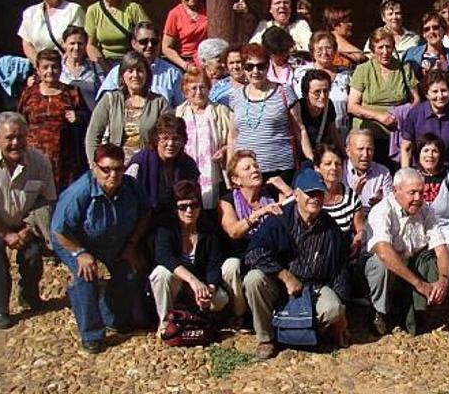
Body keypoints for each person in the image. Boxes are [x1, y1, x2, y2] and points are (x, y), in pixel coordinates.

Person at [51, 143, 150, 353]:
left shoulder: (131, 187)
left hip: (115, 241)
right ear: (94, 167)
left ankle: (110, 316)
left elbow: (145, 214)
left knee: (130, 273)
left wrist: (132, 246)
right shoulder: (79, 192)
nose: (112, 174)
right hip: (75, 241)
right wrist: (80, 253)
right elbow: (59, 229)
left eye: (118, 169)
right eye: (106, 169)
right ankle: (91, 333)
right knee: (86, 277)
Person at [243, 168, 351, 359]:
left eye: (319, 193)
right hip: (279, 283)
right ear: (297, 194)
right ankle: (266, 338)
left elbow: (339, 269)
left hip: (314, 287)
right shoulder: (279, 220)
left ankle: (301, 333)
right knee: (253, 279)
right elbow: (253, 253)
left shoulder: (332, 229)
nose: (315, 198)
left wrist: (342, 316)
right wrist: (285, 276)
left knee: (333, 309)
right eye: (310, 193)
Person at [0, 112, 56, 329]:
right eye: (9, 138)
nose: (16, 143)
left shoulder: (40, 162)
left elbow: (47, 199)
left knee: (33, 252)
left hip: (25, 218)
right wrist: (6, 234)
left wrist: (29, 228)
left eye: (20, 137)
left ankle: (29, 297)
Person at [364, 168, 449, 335]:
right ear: (396, 191)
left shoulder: (426, 210)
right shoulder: (382, 211)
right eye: (412, 193)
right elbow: (383, 251)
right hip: (386, 269)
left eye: (421, 192)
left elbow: (441, 249)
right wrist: (419, 284)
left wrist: (443, 280)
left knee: (445, 268)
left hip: (411, 264)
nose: (418, 198)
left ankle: (423, 309)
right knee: (381, 265)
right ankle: (379, 311)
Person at [150, 180, 239, 336]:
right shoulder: (166, 228)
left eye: (194, 205)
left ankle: (226, 317)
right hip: (179, 285)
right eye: (182, 207)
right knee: (160, 274)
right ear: (175, 209)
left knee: (219, 300)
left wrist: (209, 289)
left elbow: (214, 263)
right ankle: (165, 322)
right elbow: (164, 257)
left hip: (203, 285)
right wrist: (192, 281)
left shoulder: (208, 229)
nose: (189, 211)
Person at [217, 150, 288, 324]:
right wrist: (259, 214)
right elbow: (233, 231)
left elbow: (299, 208)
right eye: (247, 168)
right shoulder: (227, 201)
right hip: (242, 255)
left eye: (255, 166)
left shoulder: (271, 193)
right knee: (230, 266)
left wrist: (284, 187)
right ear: (236, 180)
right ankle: (239, 313)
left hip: (270, 252)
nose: (254, 170)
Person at [227, 43, 313, 186]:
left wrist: (311, 160)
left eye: (260, 66)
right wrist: (230, 171)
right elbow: (232, 137)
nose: (255, 71)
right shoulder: (235, 97)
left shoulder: (284, 91)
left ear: (268, 66)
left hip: (281, 169)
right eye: (249, 66)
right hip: (246, 174)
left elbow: (300, 129)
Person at [17, 49, 87, 189]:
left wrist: (78, 117)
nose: (50, 71)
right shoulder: (29, 93)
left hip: (65, 160)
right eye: (45, 67)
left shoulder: (72, 92)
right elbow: (20, 121)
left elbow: (87, 118)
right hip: (34, 157)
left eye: (54, 67)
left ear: (61, 68)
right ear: (37, 69)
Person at [348, 28, 419, 166]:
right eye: (380, 47)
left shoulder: (404, 68)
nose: (385, 52)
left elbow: (416, 100)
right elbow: (352, 106)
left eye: (388, 47)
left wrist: (402, 115)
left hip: (398, 134)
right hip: (369, 136)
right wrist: (379, 116)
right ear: (373, 49)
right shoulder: (363, 70)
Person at [86, 50, 171, 164]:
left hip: (147, 167)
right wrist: (95, 167)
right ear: (122, 75)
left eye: (140, 70)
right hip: (115, 170)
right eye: (130, 71)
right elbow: (92, 137)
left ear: (147, 74)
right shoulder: (110, 100)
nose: (135, 75)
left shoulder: (159, 103)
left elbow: (169, 135)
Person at [126, 114, 200, 228]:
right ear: (156, 139)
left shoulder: (188, 165)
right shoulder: (139, 163)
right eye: (165, 138)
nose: (170, 144)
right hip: (142, 223)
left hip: (177, 223)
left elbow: (193, 201)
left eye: (176, 139)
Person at [175, 67, 232, 210]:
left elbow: (234, 139)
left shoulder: (221, 111)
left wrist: (225, 150)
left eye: (203, 87)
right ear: (185, 91)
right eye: (193, 88)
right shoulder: (178, 113)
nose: (199, 92)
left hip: (214, 172)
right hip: (186, 171)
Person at [97, 21, 184, 106]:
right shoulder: (118, 72)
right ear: (133, 43)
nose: (150, 45)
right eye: (144, 41)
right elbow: (104, 105)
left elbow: (182, 108)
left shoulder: (173, 74)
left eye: (154, 42)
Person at [400, 71, 449, 173]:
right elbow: (406, 148)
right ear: (427, 94)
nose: (440, 96)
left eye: (444, 90)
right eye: (435, 91)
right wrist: (406, 175)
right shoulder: (415, 114)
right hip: (421, 173)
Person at [289, 31, 352, 139]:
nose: (324, 52)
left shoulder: (346, 75)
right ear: (312, 51)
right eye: (319, 48)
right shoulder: (301, 73)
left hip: (340, 135)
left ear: (335, 50)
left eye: (328, 48)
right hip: (310, 135)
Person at [84, 0, 150, 71]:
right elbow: (91, 45)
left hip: (131, 61)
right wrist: (103, 67)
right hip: (105, 62)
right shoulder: (93, 11)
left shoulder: (133, 8)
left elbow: (148, 36)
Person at [414, 134, 449, 261]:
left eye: (434, 151)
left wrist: (440, 234)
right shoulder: (411, 177)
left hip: (445, 235)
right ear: (418, 154)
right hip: (416, 235)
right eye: (425, 150)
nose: (430, 155)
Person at [18, 0, 85, 65]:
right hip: (40, 68)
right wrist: (39, 65)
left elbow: (78, 40)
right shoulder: (30, 13)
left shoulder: (73, 10)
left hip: (66, 66)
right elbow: (27, 44)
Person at [314, 144, 366, 255]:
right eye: (328, 164)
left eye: (338, 164)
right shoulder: (310, 196)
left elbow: (360, 229)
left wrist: (359, 238)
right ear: (317, 168)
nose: (334, 168)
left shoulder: (351, 197)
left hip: (342, 255)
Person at [400, 12, 449, 91]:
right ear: (423, 34)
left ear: (443, 30)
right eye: (427, 29)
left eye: (435, 27)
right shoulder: (411, 55)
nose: (431, 31)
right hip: (421, 101)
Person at [162, 0, 208, 71]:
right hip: (189, 62)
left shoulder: (208, 7)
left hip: (209, 59)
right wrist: (185, 65)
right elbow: (166, 48)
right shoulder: (175, 14)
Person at [248, 0, 312, 52]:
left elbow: (310, 47)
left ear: (291, 7)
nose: (282, 6)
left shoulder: (300, 25)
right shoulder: (264, 25)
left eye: (286, 3)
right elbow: (253, 48)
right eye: (277, 3)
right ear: (270, 9)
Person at [342, 129, 393, 215]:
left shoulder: (383, 173)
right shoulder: (340, 171)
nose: (365, 154)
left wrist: (382, 203)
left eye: (369, 149)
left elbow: (391, 207)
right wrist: (353, 194)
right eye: (360, 149)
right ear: (348, 151)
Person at [59, 25, 103, 112]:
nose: (76, 48)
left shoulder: (95, 68)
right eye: (72, 43)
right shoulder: (57, 68)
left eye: (80, 43)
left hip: (89, 120)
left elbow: (103, 94)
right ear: (64, 44)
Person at [296, 69, 344, 149]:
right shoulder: (298, 107)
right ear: (306, 94)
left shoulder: (329, 105)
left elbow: (333, 133)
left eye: (325, 91)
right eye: (317, 92)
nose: (322, 96)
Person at [196, 38, 232, 105]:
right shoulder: (194, 81)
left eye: (225, 60)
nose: (223, 64)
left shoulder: (230, 84)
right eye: (219, 61)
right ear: (204, 61)